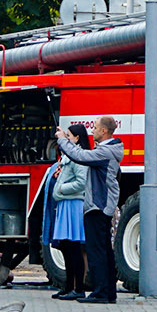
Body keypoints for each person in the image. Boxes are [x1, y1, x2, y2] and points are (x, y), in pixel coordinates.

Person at [56, 116, 123, 303]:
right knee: (104, 251)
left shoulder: (106, 152)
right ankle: (109, 292)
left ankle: (100, 292)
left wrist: (62, 140)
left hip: (98, 206)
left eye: (95, 128)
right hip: (101, 205)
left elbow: (81, 156)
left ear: (104, 131)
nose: (92, 131)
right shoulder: (109, 150)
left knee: (97, 251)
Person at [42, 123, 91, 299]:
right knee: (65, 246)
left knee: (74, 248)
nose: (66, 139)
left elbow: (81, 182)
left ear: (77, 139)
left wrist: (61, 188)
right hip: (65, 204)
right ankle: (68, 285)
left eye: (68, 136)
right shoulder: (69, 156)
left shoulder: (79, 157)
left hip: (73, 205)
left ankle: (78, 288)